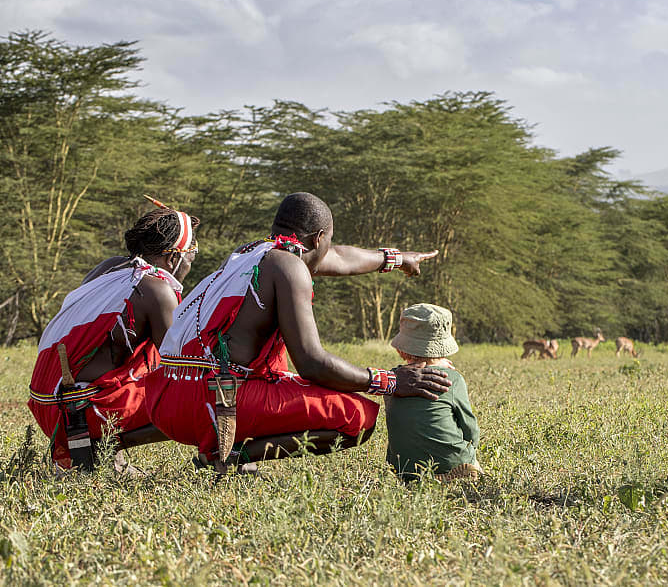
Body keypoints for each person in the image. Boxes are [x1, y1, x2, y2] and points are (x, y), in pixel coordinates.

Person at [145, 192, 452, 471]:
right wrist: (391, 381)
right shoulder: (289, 267)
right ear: (319, 237)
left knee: (274, 367)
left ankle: (226, 448)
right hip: (213, 403)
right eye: (329, 240)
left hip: (165, 399)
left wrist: (395, 258)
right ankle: (229, 454)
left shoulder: (252, 253)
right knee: (357, 418)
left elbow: (340, 257)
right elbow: (312, 363)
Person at [28, 200, 199, 469]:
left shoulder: (109, 267)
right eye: (192, 255)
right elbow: (184, 368)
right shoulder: (158, 291)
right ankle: (102, 447)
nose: (190, 263)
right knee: (198, 395)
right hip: (77, 412)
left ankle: (103, 449)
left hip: (46, 402)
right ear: (173, 258)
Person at [384, 304, 482, 482]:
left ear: (400, 350)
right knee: (474, 465)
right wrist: (471, 450)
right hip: (451, 462)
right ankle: (456, 471)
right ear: (444, 348)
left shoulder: (392, 379)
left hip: (402, 466)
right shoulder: (452, 378)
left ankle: (414, 479)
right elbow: (470, 427)